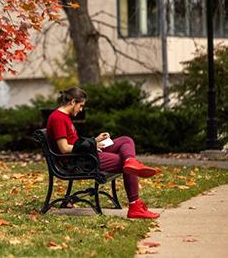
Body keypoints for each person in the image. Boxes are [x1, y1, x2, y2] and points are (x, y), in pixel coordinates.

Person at [46, 87, 160, 219]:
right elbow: (64, 149)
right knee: (124, 163)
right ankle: (135, 206)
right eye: (80, 105)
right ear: (72, 102)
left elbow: (74, 142)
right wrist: (92, 145)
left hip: (83, 155)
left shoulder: (62, 117)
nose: (81, 109)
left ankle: (131, 161)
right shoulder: (58, 118)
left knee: (126, 140)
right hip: (79, 161)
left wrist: (95, 140)